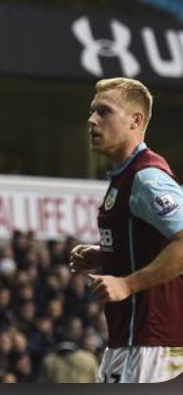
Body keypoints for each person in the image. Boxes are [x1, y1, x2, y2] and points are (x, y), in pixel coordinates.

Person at [70, 78, 183, 383]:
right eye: (92, 111)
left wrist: (127, 283)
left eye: (104, 112)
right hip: (129, 341)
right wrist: (108, 254)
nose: (92, 120)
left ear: (135, 121)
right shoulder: (125, 175)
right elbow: (154, 242)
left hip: (154, 345)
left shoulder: (147, 178)